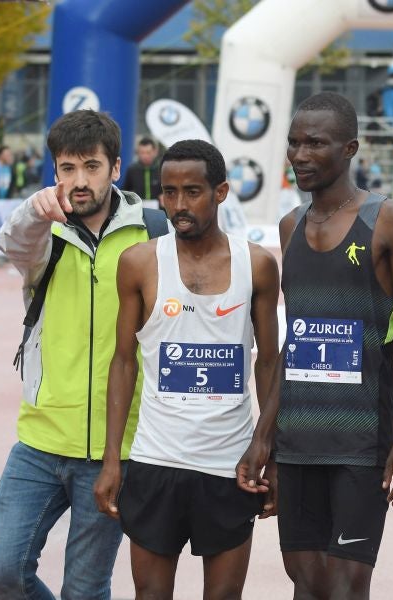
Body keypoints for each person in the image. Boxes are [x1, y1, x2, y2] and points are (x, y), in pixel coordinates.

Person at [251, 91, 393, 599]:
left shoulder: (389, 219)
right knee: (305, 579)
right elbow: (296, 343)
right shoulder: (289, 227)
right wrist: (265, 436)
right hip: (297, 439)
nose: (300, 155)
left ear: (350, 148)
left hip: (360, 440)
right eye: (294, 143)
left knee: (346, 585)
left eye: (315, 143)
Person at [0, 110, 160, 600]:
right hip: (40, 439)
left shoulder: (153, 233)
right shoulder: (45, 233)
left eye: (91, 166)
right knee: (3, 571)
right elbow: (12, 242)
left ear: (115, 168)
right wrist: (34, 210)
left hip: (117, 447)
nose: (79, 180)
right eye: (67, 168)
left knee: (84, 590)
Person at [93, 139, 280, 598]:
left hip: (230, 465)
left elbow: (270, 363)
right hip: (156, 460)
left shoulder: (257, 265)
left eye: (192, 192)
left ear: (221, 192)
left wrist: (269, 448)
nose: (179, 205)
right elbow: (123, 362)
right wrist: (113, 459)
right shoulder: (138, 263)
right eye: (169, 192)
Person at [122, 136, 161, 201]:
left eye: (148, 152)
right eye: (142, 153)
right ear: (138, 153)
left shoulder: (161, 169)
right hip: (138, 205)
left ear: (155, 152)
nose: (145, 156)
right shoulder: (132, 170)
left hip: (158, 205)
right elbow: (125, 191)